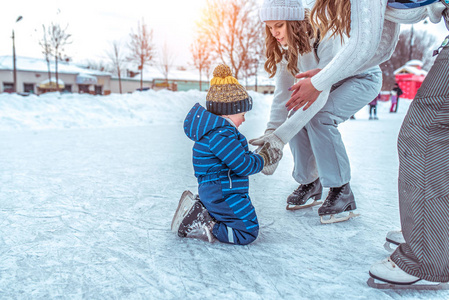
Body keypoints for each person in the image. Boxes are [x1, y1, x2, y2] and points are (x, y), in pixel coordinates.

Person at [283, 0, 449, 287]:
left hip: (365, 78)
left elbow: (362, 45)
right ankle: (433, 233)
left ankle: (428, 257)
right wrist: (324, 76)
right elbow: (381, 47)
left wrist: (322, 80)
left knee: (425, 131)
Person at [251, 0, 382, 223]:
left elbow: (321, 92)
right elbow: (284, 93)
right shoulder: (287, 47)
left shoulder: (325, 31)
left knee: (320, 118)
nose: (274, 33)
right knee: (295, 117)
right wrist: (273, 131)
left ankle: (342, 191)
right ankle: (310, 182)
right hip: (324, 83)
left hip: (361, 78)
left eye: (279, 25)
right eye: (270, 27)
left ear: (294, 22)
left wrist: (280, 138)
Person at [171, 64, 281, 245]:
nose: (244, 119)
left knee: (243, 220)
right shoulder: (221, 134)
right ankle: (206, 220)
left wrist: (255, 155)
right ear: (229, 112)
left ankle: (205, 210)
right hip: (223, 193)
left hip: (219, 190)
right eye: (242, 114)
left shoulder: (217, 133)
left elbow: (236, 160)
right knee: (247, 231)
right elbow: (243, 165)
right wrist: (264, 158)